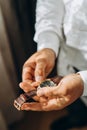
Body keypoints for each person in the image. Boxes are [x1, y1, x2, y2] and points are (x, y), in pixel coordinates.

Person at [19, 0, 87, 129]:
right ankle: (79, 116)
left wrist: (84, 82)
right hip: (68, 56)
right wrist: (47, 47)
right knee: (73, 103)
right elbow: (49, 5)